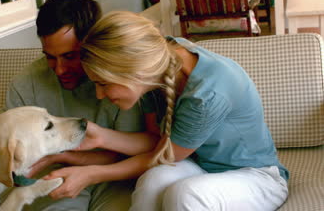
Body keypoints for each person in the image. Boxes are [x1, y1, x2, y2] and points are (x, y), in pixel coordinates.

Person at [71, 11, 289, 210]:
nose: (99, 95)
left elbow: (164, 155)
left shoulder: (206, 94)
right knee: (152, 181)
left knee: (187, 195)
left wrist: (93, 174)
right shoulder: (156, 64)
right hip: (200, 166)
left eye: (103, 83)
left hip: (257, 177)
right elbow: (157, 142)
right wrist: (100, 137)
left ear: (135, 72)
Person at [4, 0, 145, 210]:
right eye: (50, 57)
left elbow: (133, 151)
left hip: (117, 178)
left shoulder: (121, 81)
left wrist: (65, 157)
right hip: (53, 177)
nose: (60, 70)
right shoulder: (24, 85)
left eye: (70, 56)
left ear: (93, 44)